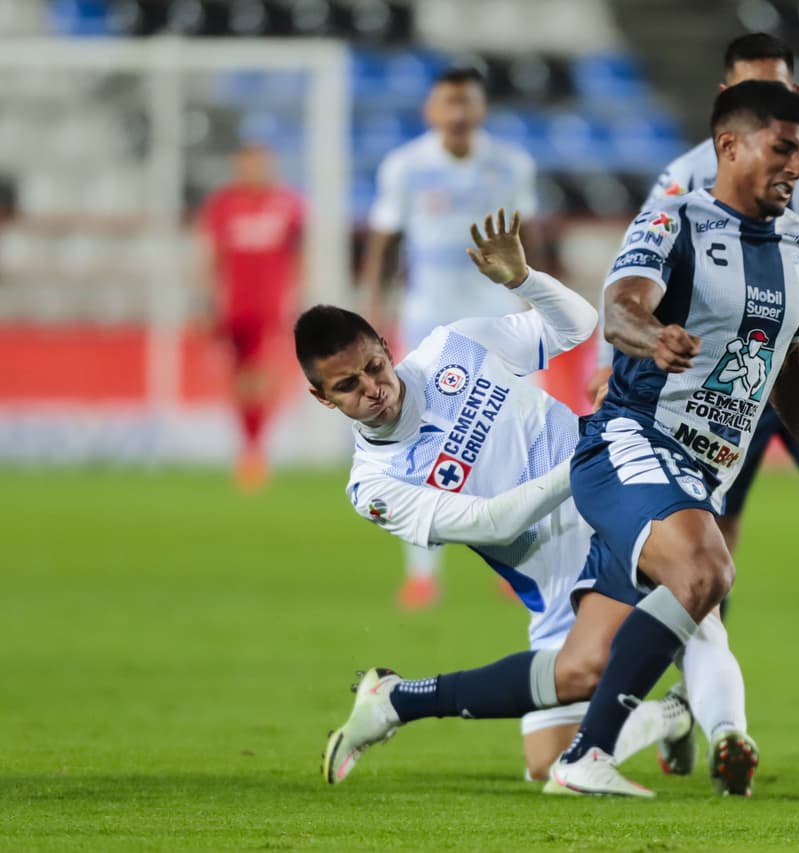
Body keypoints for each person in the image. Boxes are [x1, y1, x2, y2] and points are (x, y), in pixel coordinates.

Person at [300, 210, 751, 790]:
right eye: (347, 387)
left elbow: (578, 325)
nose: (373, 389)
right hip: (554, 574)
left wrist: (524, 281)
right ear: (322, 397)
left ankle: (732, 746)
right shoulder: (374, 485)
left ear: (387, 347)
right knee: (546, 761)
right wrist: (591, 454)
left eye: (373, 366)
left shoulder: (451, 348)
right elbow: (493, 522)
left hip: (614, 502)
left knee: (698, 605)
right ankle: (669, 715)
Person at [542, 81, 799, 798]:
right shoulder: (674, 220)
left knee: (589, 661)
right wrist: (652, 336)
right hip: (629, 444)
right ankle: (587, 756)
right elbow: (620, 307)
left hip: (699, 473)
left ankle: (403, 701)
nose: (797, 167)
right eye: (782, 148)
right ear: (729, 146)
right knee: (707, 572)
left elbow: (786, 367)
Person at [589, 33, 799, 716]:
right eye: (765, 90)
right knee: (708, 552)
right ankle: (686, 694)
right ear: (730, 103)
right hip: (714, 386)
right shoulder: (684, 180)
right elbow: (633, 284)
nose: (794, 155)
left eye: (786, 87)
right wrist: (622, 356)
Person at [360, 66, 540, 609]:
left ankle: (515, 562)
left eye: (467, 104)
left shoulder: (511, 165)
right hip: (427, 319)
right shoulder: (406, 167)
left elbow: (528, 237)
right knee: (417, 436)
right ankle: (423, 572)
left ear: (480, 111)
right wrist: (373, 308)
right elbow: (386, 240)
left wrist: (537, 299)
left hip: (495, 313)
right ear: (431, 112)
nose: (458, 114)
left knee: (507, 434)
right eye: (448, 104)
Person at [196, 141, 305, 492]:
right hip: (233, 307)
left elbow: (300, 254)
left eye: (260, 163)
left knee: (263, 377)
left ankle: (255, 451)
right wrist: (206, 300)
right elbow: (211, 256)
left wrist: (299, 296)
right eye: (247, 164)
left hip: (270, 307)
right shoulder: (222, 206)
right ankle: (250, 446)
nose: (254, 170)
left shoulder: (288, 204)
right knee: (240, 380)